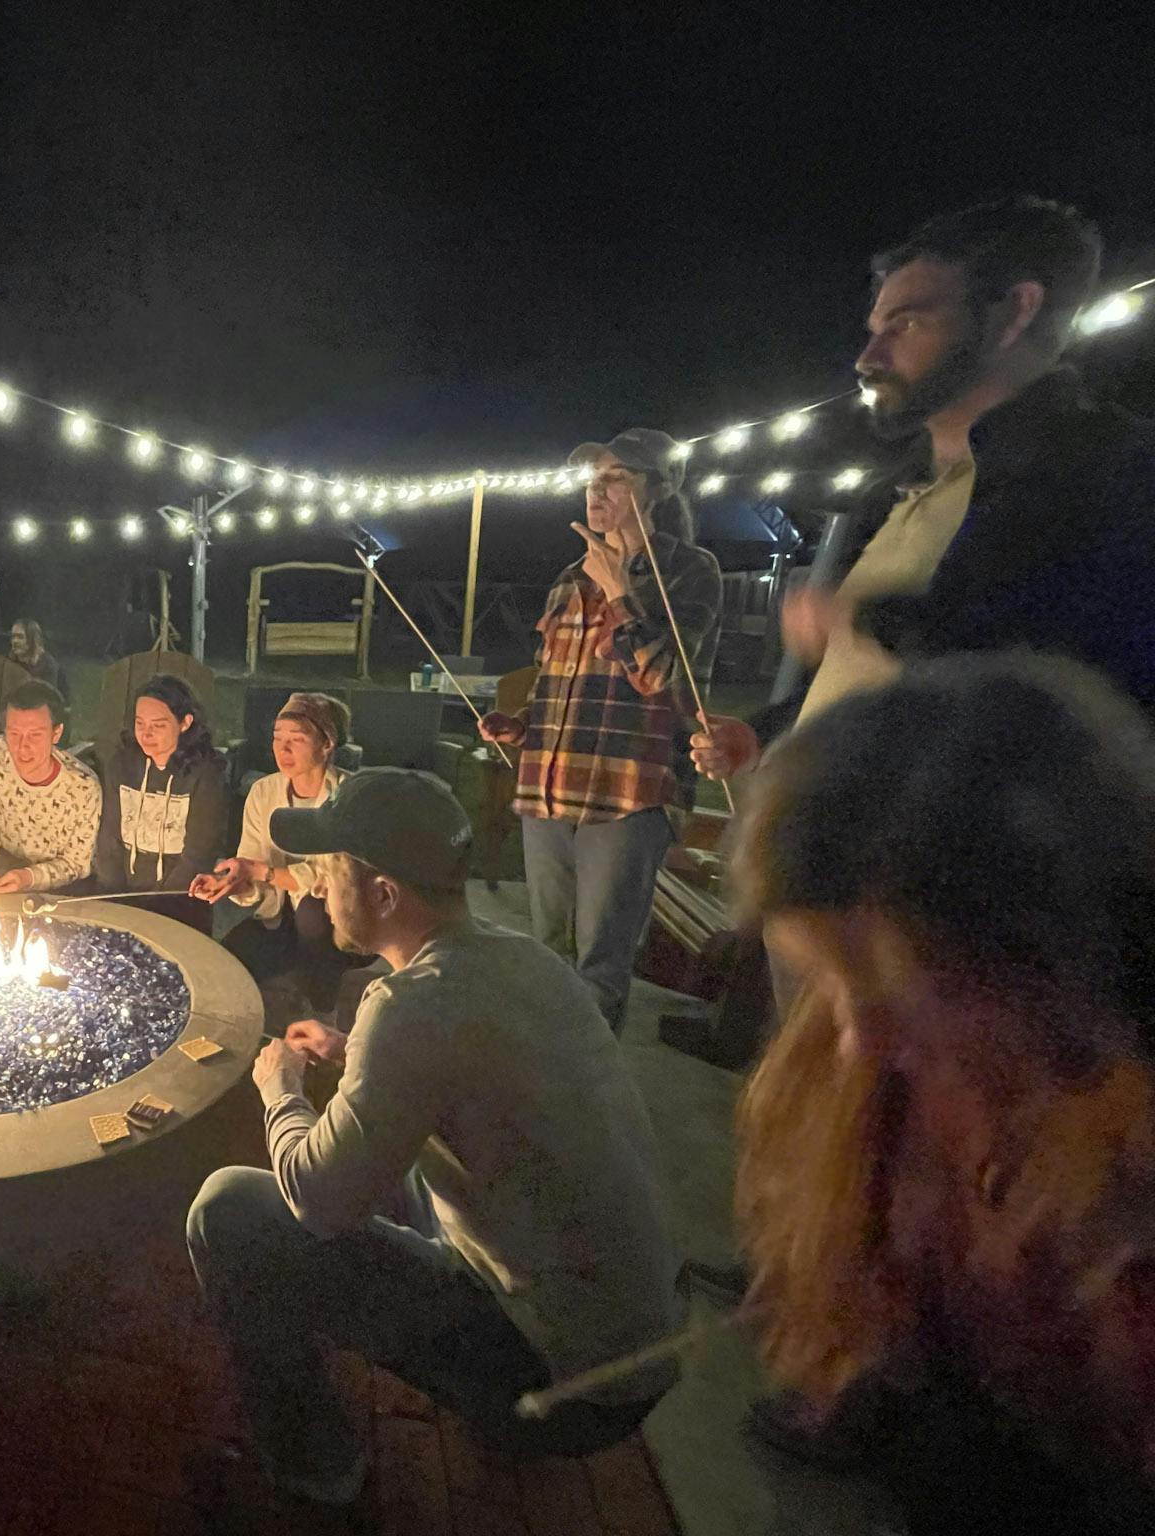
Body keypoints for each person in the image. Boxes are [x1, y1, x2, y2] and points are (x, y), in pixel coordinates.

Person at [185, 769, 683, 1527]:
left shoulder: (411, 1005)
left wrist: (279, 1086)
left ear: (384, 894)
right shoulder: (524, 960)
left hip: (558, 1382)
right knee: (398, 1159)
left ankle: (317, 1463)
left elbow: (316, 1201)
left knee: (228, 1210)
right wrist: (355, 1050)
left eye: (331, 870)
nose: (317, 887)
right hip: (635, 1352)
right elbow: (468, 1074)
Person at [732, 656, 1155, 1534]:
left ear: (1054, 954)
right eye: (823, 983)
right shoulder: (890, 1083)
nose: (857, 1045)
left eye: (904, 984)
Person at [693, 195, 1148, 782]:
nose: (867, 358)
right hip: (826, 851)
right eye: (875, 329)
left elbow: (1075, 693)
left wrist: (868, 621)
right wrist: (773, 731)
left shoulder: (1111, 476)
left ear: (1016, 312)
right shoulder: (890, 496)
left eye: (906, 324)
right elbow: (864, 684)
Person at [479, 428, 722, 1035]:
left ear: (660, 489)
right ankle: (547, 1069)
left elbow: (672, 683)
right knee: (547, 950)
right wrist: (523, 726)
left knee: (601, 962)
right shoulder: (570, 576)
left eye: (617, 478)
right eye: (594, 479)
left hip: (628, 790)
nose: (598, 490)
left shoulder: (688, 570)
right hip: (549, 788)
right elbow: (556, 680)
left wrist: (621, 593)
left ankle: (591, 1096)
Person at [191, 691, 358, 1005]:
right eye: (277, 737)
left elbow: (330, 877)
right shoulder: (263, 792)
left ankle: (324, 1007)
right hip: (277, 918)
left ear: (327, 744)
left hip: (337, 922)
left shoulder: (349, 796)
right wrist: (231, 880)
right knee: (227, 964)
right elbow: (252, 862)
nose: (283, 748)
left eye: (296, 739)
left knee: (311, 909)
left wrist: (260, 871)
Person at [95, 674, 230, 930]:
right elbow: (109, 838)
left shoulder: (205, 774)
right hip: (123, 895)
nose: (146, 734)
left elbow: (198, 853)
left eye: (158, 725)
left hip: (181, 899)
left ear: (185, 723)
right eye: (140, 723)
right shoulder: (122, 765)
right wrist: (112, 896)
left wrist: (157, 908)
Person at [0, 680, 100, 895]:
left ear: (56, 733)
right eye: (14, 734)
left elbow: (76, 864)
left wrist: (27, 878)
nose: (22, 746)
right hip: (2, 865)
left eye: (34, 735)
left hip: (62, 889)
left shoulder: (82, 788)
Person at [7, 617, 66, 694]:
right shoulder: (9, 662)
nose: (15, 641)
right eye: (13, 636)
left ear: (32, 640)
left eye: (20, 637)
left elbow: (49, 698)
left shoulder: (47, 664)